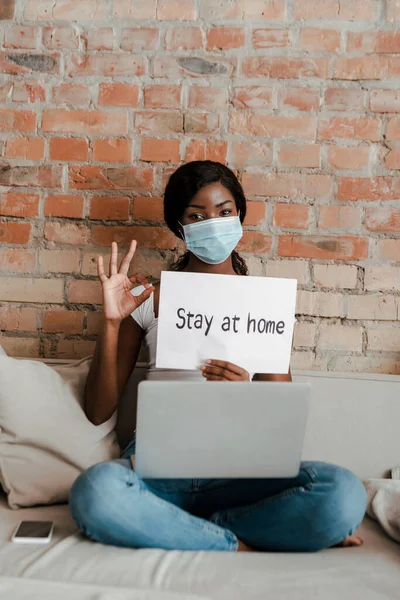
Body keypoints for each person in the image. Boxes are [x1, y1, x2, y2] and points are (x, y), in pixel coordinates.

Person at [69, 161, 367, 552]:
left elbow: (283, 421)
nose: (213, 222)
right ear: (180, 226)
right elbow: (97, 410)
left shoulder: (265, 304)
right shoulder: (146, 299)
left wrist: (244, 394)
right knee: (95, 492)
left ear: (240, 216)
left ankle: (186, 531)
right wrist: (110, 322)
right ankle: (233, 542)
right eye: (197, 215)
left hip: (239, 471)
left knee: (342, 493)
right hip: (159, 469)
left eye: (224, 212)